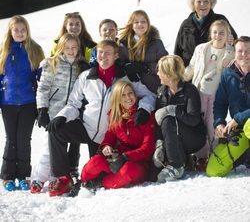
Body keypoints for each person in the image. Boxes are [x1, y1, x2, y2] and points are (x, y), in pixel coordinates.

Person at [47, 39, 156, 197]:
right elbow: (73, 103)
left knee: (97, 170)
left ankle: (102, 182)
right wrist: (62, 116)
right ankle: (64, 178)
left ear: (116, 56)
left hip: (108, 135)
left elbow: (149, 96)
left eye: (108, 53)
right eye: (100, 52)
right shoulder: (86, 77)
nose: (103, 56)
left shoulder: (126, 77)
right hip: (87, 128)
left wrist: (144, 109)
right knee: (56, 131)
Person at [30, 33, 90, 194]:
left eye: (74, 48)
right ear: (60, 48)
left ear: (78, 48)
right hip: (53, 112)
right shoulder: (53, 63)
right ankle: (38, 178)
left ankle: (55, 178)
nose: (70, 51)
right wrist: (42, 110)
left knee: (60, 148)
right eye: (67, 48)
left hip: (71, 113)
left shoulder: (80, 65)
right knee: (48, 147)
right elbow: (43, 88)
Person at [81, 80, 156, 190]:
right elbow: (110, 136)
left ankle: (101, 183)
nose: (128, 98)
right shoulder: (115, 115)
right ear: (118, 99)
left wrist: (126, 157)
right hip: (119, 156)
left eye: (130, 93)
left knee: (127, 171)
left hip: (139, 162)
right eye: (123, 95)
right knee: (95, 161)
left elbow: (148, 148)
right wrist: (106, 146)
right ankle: (83, 183)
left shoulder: (145, 115)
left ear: (135, 95)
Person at [0, 15, 45, 191]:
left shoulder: (35, 50)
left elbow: (41, 76)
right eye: (16, 30)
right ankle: (7, 176)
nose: (19, 33)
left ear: (27, 31)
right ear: (11, 32)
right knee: (11, 139)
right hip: (8, 102)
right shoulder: (4, 50)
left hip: (28, 102)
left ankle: (24, 175)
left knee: (24, 140)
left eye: (23, 30)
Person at [184, 20, 235, 171]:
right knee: (199, 122)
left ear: (227, 36)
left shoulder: (230, 52)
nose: (218, 35)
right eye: (215, 32)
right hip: (199, 90)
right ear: (210, 34)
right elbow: (192, 67)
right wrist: (182, 78)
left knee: (212, 123)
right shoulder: (201, 48)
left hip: (217, 94)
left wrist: (231, 49)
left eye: (222, 33)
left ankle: (215, 152)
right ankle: (201, 156)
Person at [152, 55, 206, 182]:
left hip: (194, 137)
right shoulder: (161, 92)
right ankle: (183, 161)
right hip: (174, 140)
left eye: (160, 70)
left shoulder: (189, 90)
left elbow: (194, 120)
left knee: (168, 119)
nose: (158, 73)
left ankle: (176, 166)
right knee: (165, 120)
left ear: (169, 73)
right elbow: (158, 122)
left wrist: (174, 110)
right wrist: (159, 144)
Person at [206, 36, 250, 177]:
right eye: (240, 51)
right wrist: (219, 123)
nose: (244, 55)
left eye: (248, 51)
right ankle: (245, 155)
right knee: (213, 170)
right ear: (234, 53)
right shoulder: (227, 74)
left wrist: (237, 118)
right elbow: (220, 103)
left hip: (245, 123)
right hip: (240, 129)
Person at [174, 0, 237, 67]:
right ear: (193, 4)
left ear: (211, 3)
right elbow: (177, 52)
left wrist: (229, 42)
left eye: (206, 1)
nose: (202, 4)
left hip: (215, 71)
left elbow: (235, 43)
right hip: (190, 71)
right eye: (198, 2)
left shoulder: (220, 20)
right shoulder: (185, 24)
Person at [118, 10, 168, 94]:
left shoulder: (156, 43)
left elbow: (166, 65)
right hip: (131, 91)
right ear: (131, 25)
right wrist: (126, 67)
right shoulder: (123, 44)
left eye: (143, 21)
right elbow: (118, 62)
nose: (140, 24)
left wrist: (146, 67)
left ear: (148, 24)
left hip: (154, 88)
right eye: (136, 22)